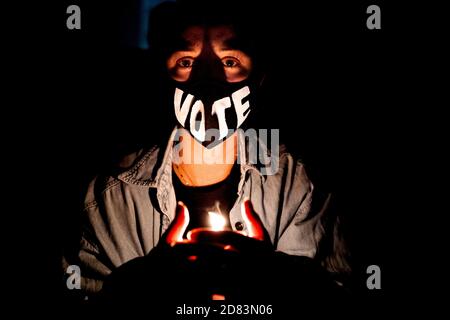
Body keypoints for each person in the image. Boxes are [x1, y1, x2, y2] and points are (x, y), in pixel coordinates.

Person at [62, 0, 351, 300]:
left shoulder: (298, 184)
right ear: (162, 73)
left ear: (260, 76)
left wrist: (276, 281)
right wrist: (141, 289)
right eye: (186, 61)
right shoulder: (107, 200)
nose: (207, 79)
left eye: (229, 62)